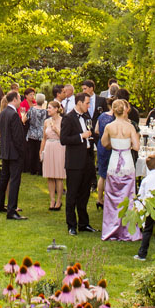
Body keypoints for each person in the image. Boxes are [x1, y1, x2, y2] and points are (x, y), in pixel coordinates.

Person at [101, 99, 142, 241]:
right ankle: (127, 230)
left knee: (112, 196)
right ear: (124, 110)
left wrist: (114, 146)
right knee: (128, 196)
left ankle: (111, 228)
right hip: (126, 161)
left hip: (114, 161)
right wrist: (128, 144)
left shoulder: (109, 126)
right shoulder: (130, 127)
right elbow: (136, 147)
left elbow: (104, 143)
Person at [60, 90, 98, 235]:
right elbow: (64, 139)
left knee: (84, 194)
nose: (89, 106)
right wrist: (81, 136)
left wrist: (92, 136)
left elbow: (91, 133)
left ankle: (84, 223)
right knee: (72, 195)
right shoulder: (68, 118)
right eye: (87, 103)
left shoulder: (87, 116)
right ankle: (71, 225)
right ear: (79, 103)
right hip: (74, 162)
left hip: (87, 160)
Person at [0, 92, 28, 220]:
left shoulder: (3, 113)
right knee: (14, 180)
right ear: (15, 99)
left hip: (5, 151)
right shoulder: (13, 114)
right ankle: (12, 210)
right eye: (20, 98)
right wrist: (22, 151)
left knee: (4, 178)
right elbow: (17, 137)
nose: (20, 101)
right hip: (14, 152)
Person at [132, 155, 155, 261]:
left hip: (149, 207)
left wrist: (137, 209)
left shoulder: (145, 180)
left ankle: (142, 254)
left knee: (147, 230)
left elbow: (140, 196)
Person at [40, 100, 67, 210]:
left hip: (59, 147)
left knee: (58, 176)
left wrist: (56, 130)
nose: (48, 110)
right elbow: (44, 138)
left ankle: (59, 200)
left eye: (50, 108)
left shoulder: (63, 121)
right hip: (49, 147)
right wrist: (41, 151)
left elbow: (65, 137)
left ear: (56, 109)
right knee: (50, 175)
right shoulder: (46, 121)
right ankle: (52, 200)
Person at [94, 104, 116, 208]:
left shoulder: (102, 116)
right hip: (110, 145)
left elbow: (96, 130)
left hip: (101, 145)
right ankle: (108, 199)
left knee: (102, 175)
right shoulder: (115, 118)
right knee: (110, 174)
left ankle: (99, 199)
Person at [25, 92, 48, 175]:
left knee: (32, 152)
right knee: (41, 151)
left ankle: (32, 169)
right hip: (42, 133)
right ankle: (40, 169)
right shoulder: (46, 111)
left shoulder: (31, 109)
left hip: (32, 132)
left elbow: (25, 119)